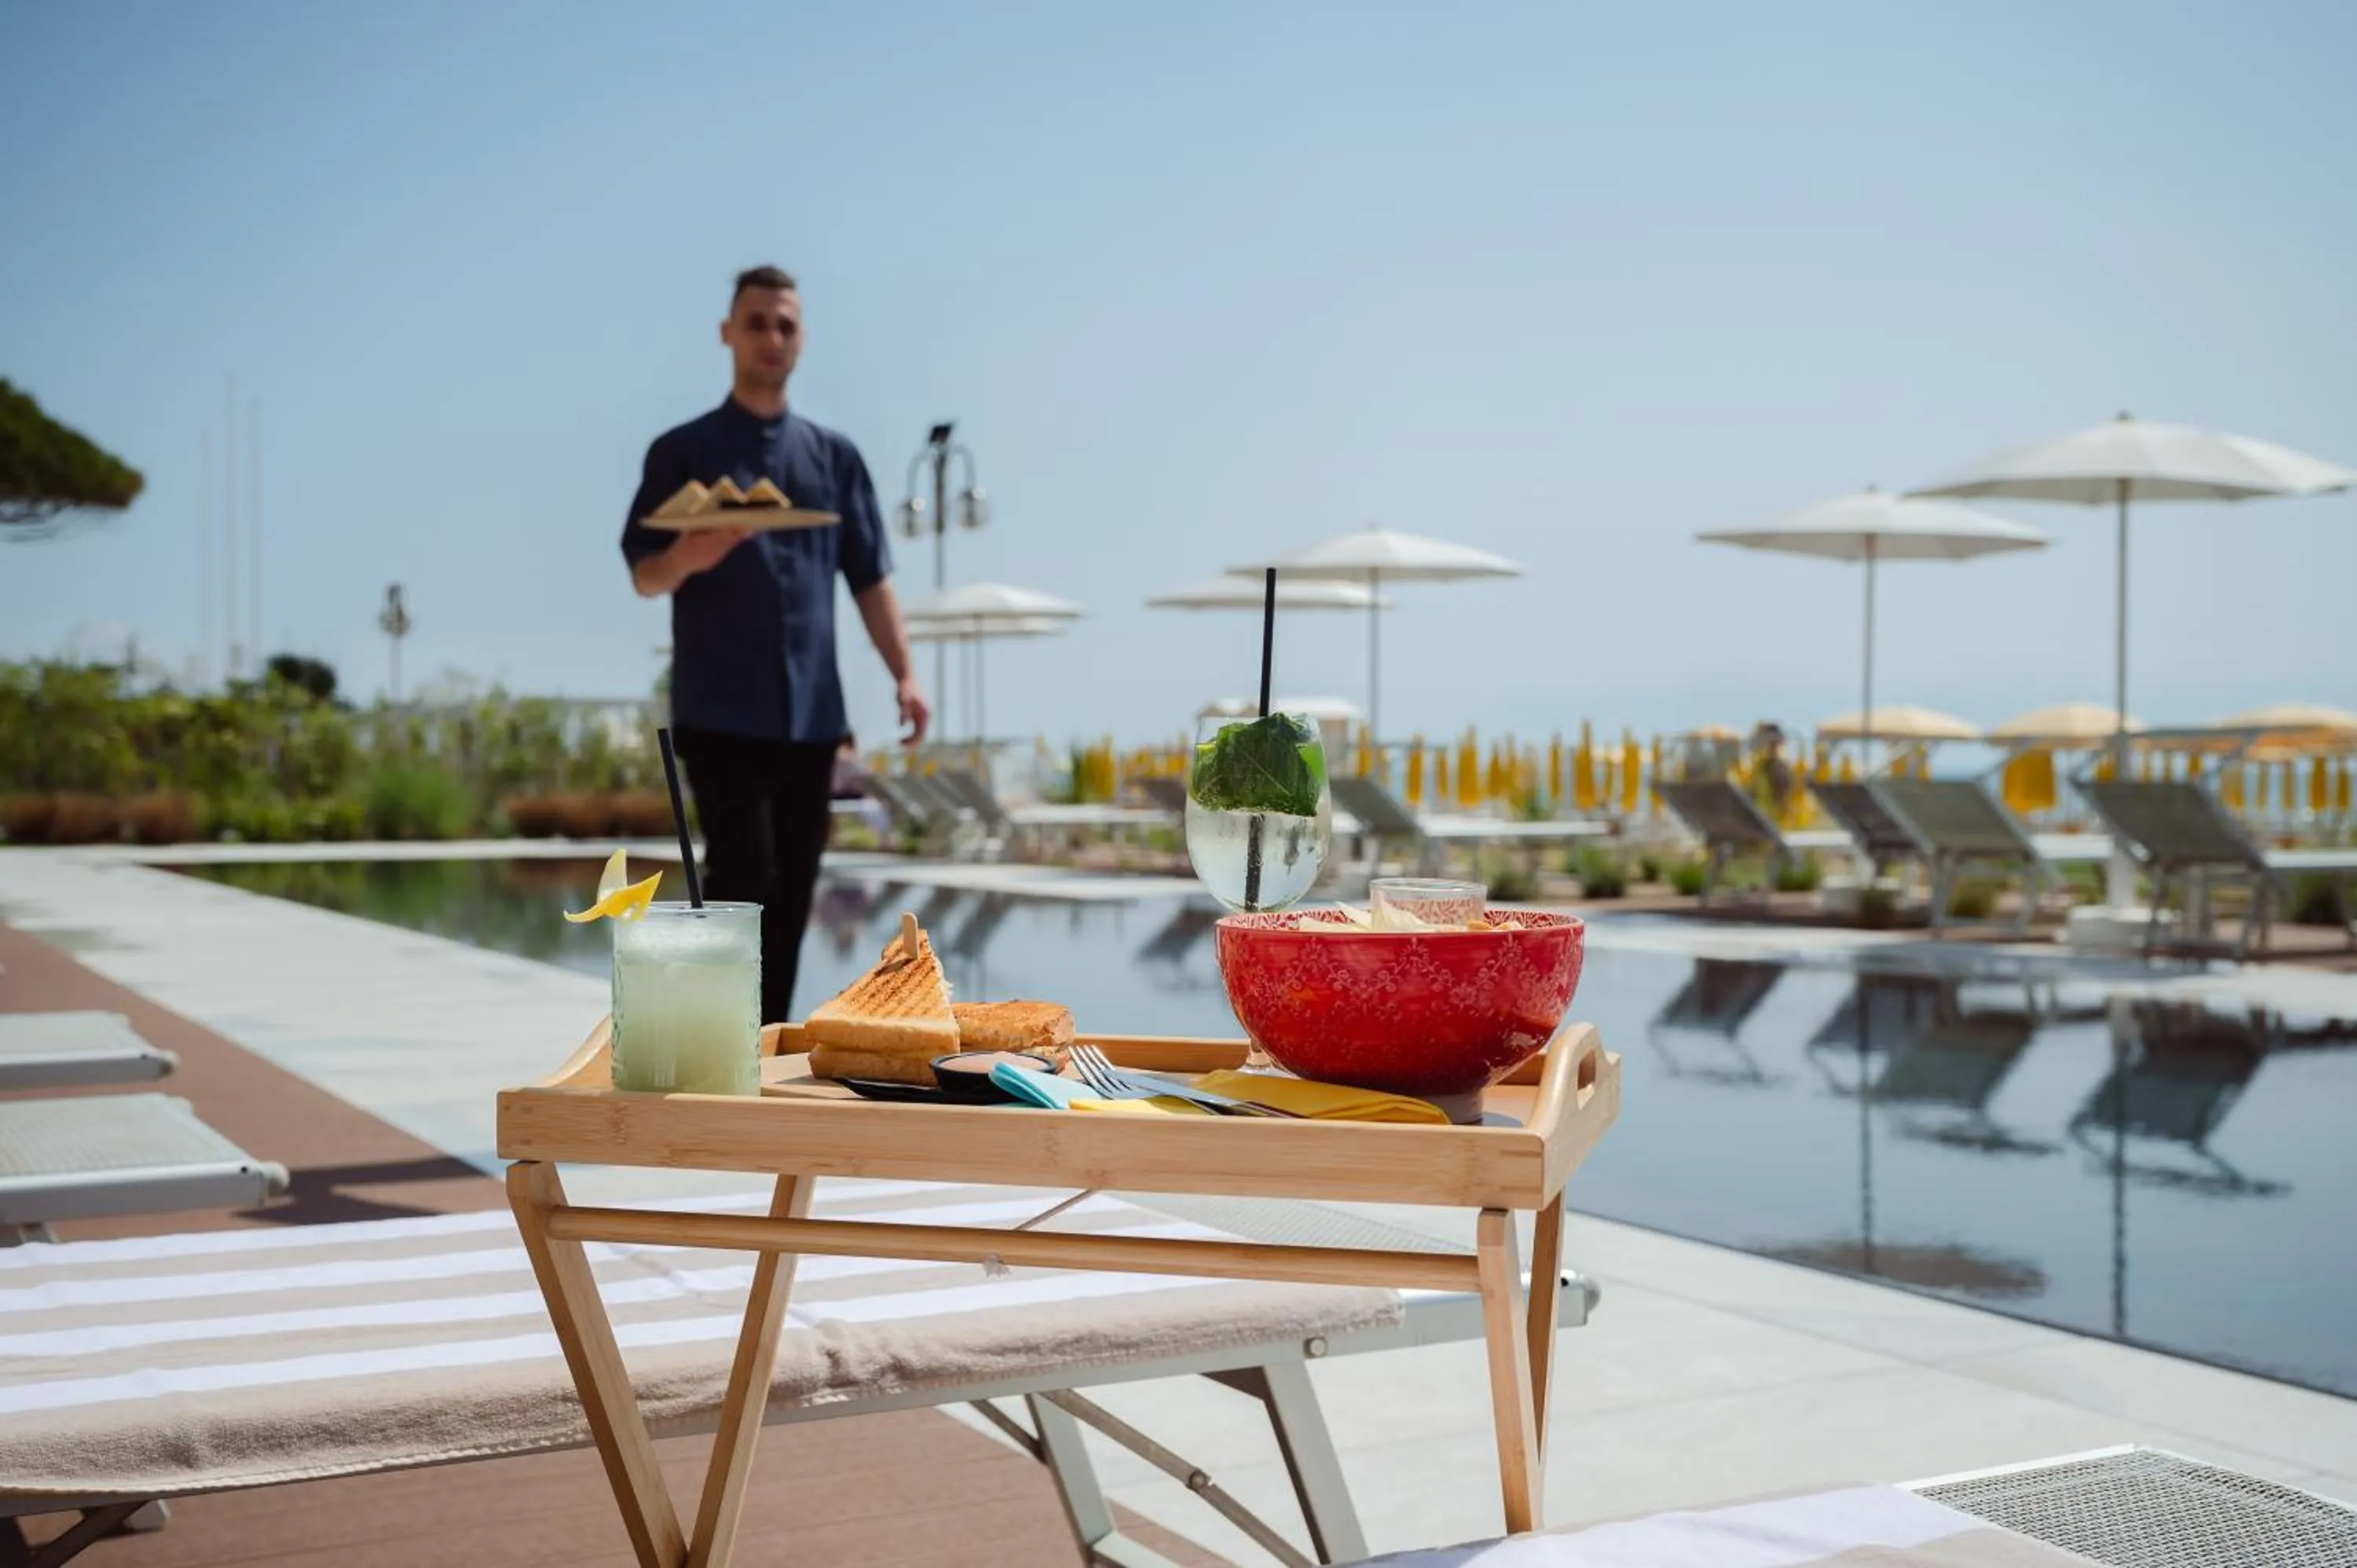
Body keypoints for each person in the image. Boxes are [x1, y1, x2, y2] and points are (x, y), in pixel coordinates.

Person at [621, 265, 928, 1023]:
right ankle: (722, 1047)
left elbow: (869, 578)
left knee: (793, 892)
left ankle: (760, 1046)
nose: (770, 338)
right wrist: (689, 556)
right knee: (741, 880)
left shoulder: (834, 458)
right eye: (756, 323)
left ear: (802, 338)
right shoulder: (681, 451)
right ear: (728, 333)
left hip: (812, 719)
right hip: (719, 713)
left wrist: (906, 675)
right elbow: (644, 574)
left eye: (785, 325)